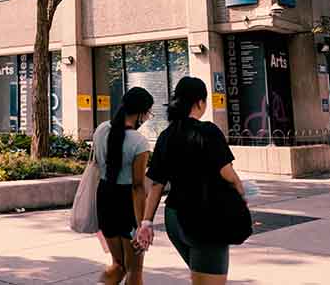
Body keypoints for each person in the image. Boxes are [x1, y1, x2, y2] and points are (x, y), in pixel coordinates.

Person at [136, 76, 245, 285]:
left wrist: (146, 222)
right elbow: (228, 174)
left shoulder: (167, 135)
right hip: (204, 218)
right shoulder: (208, 131)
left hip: (175, 220)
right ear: (200, 103)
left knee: (201, 276)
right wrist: (241, 196)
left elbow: (156, 185)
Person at [92, 86, 154, 285]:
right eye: (148, 113)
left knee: (118, 263)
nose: (147, 118)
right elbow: (137, 186)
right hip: (127, 203)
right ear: (141, 113)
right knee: (134, 269)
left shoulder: (101, 129)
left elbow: (96, 164)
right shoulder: (139, 142)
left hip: (104, 198)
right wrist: (141, 224)